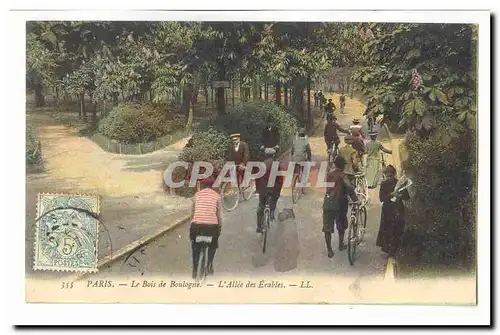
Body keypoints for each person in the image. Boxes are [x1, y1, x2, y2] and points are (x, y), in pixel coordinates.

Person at [322, 156, 359, 257]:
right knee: (341, 225)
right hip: (340, 204)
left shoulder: (329, 174)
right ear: (343, 165)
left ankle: (329, 250)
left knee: (327, 228)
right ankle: (341, 244)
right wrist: (356, 200)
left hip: (328, 203)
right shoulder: (343, 175)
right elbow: (350, 188)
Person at [190, 176, 222, 278]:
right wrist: (220, 227)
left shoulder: (197, 195)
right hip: (211, 227)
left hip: (196, 226)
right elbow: (219, 215)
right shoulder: (217, 196)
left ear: (203, 185)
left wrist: (193, 221)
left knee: (195, 247)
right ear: (212, 186)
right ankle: (209, 264)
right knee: (213, 245)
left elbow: (192, 212)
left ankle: (195, 270)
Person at [376, 165, 410, 257]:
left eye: (390, 176)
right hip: (387, 210)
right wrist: (391, 194)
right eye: (387, 176)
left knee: (396, 229)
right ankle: (389, 249)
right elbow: (381, 198)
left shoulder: (400, 183)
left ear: (394, 174)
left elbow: (407, 197)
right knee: (387, 230)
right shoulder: (384, 184)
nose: (389, 178)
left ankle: (393, 250)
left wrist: (401, 195)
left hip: (398, 209)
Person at [255, 147, 285, 232]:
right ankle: (271, 212)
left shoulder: (261, 164)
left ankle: (259, 227)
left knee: (261, 206)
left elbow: (257, 178)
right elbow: (279, 179)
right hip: (273, 189)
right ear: (273, 155)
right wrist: (279, 189)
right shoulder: (276, 164)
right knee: (274, 198)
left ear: (265, 155)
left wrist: (258, 189)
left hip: (263, 189)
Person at [291, 127, 312, 194]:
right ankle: (303, 188)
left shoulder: (295, 141)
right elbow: (309, 152)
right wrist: (309, 159)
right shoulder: (306, 142)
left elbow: (292, 151)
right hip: (302, 159)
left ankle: (294, 178)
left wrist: (292, 157)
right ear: (304, 134)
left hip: (295, 158)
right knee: (305, 172)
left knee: (295, 167)